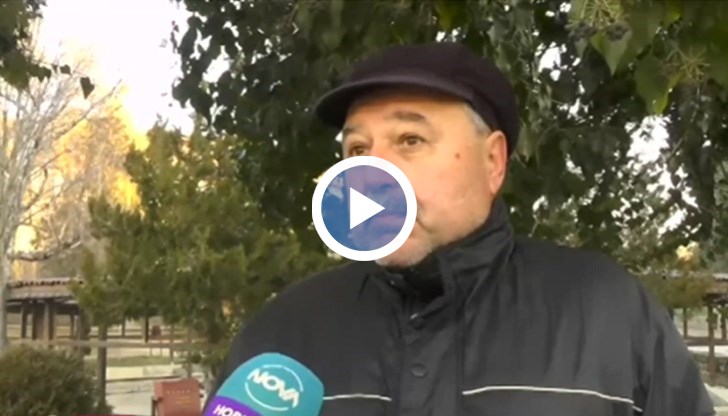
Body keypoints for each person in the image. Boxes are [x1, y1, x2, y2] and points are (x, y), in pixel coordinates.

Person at [208, 42, 714, 415]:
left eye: (410, 140)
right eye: (358, 149)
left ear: (493, 162)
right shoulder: (284, 332)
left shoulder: (607, 311)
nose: (371, 172)